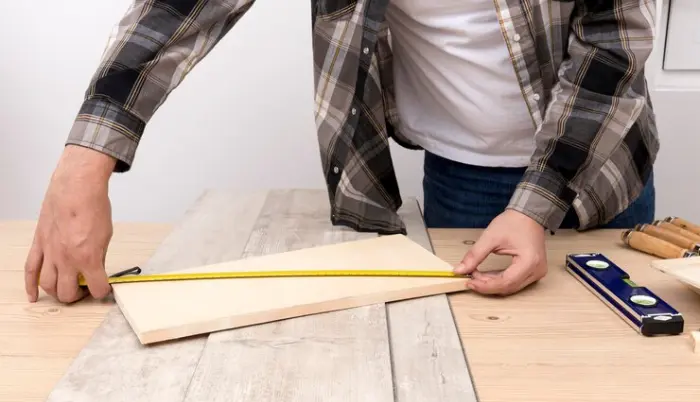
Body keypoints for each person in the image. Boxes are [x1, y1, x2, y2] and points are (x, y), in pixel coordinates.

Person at [24, 0, 659, 304]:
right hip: (462, 180)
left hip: (593, 176)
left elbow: (613, 42)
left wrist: (536, 206)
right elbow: (175, 13)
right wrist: (82, 162)